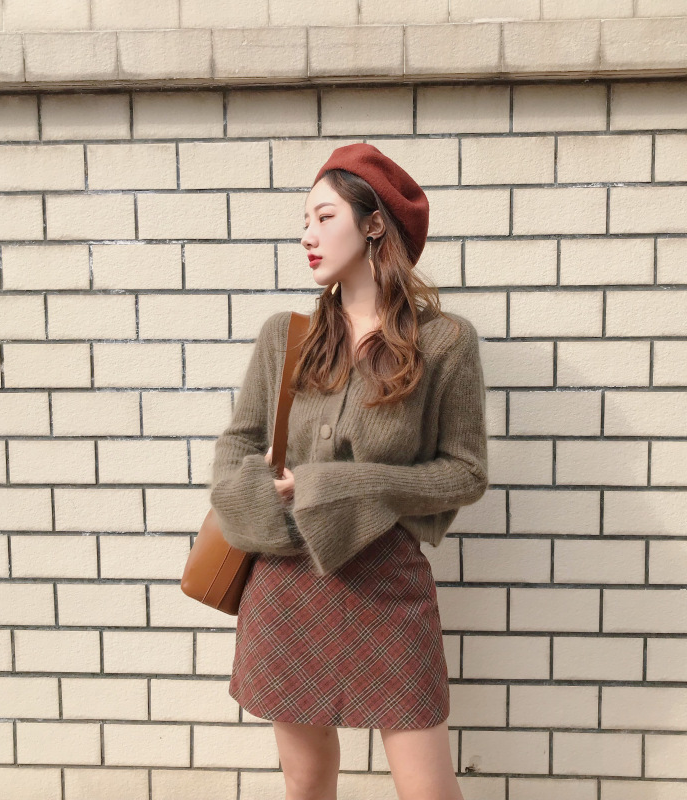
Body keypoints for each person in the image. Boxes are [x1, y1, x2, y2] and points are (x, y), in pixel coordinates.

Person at [209, 143, 488, 800]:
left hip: (386, 584)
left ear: (374, 224)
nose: (307, 235)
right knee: (307, 784)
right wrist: (263, 496)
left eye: (324, 216)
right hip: (286, 583)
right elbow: (235, 448)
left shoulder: (445, 342)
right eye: (303, 221)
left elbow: (465, 472)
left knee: (428, 790)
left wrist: (344, 486)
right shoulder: (285, 337)